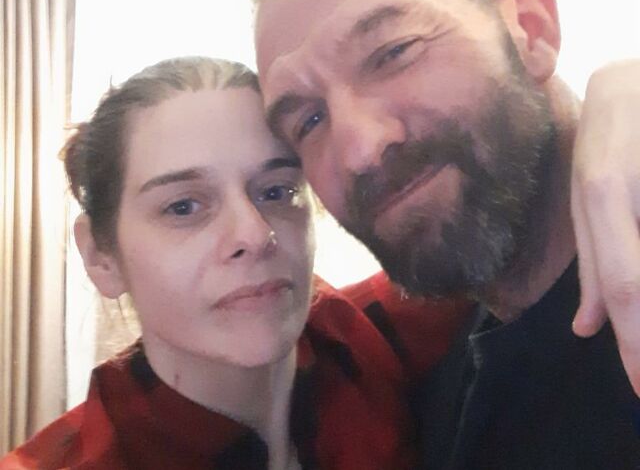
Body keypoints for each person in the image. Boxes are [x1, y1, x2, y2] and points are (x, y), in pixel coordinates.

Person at [251, 0, 640, 468]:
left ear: (529, 26)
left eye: (394, 52)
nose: (360, 150)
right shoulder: (425, 391)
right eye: (309, 121)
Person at [0, 57, 469, 470]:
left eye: (276, 191)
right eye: (183, 207)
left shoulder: (390, 339)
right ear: (101, 257)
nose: (254, 234)